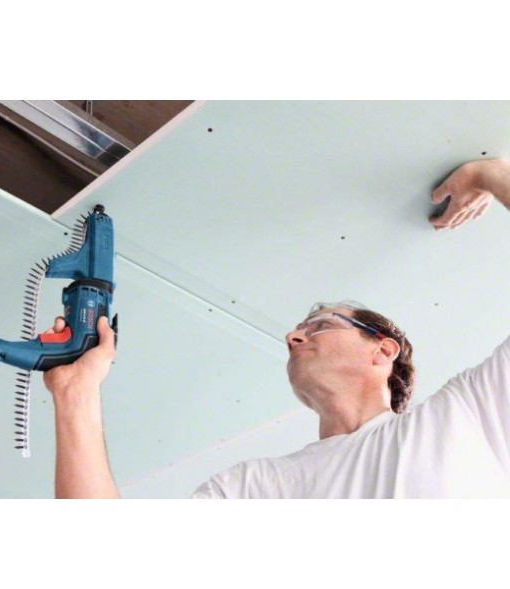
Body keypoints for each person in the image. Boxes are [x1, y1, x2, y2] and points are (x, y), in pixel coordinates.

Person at [43, 158, 510, 498]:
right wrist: (75, 391)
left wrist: (488, 173)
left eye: (321, 325)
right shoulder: (258, 488)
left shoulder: (464, 416)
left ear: (382, 351)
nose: (293, 337)